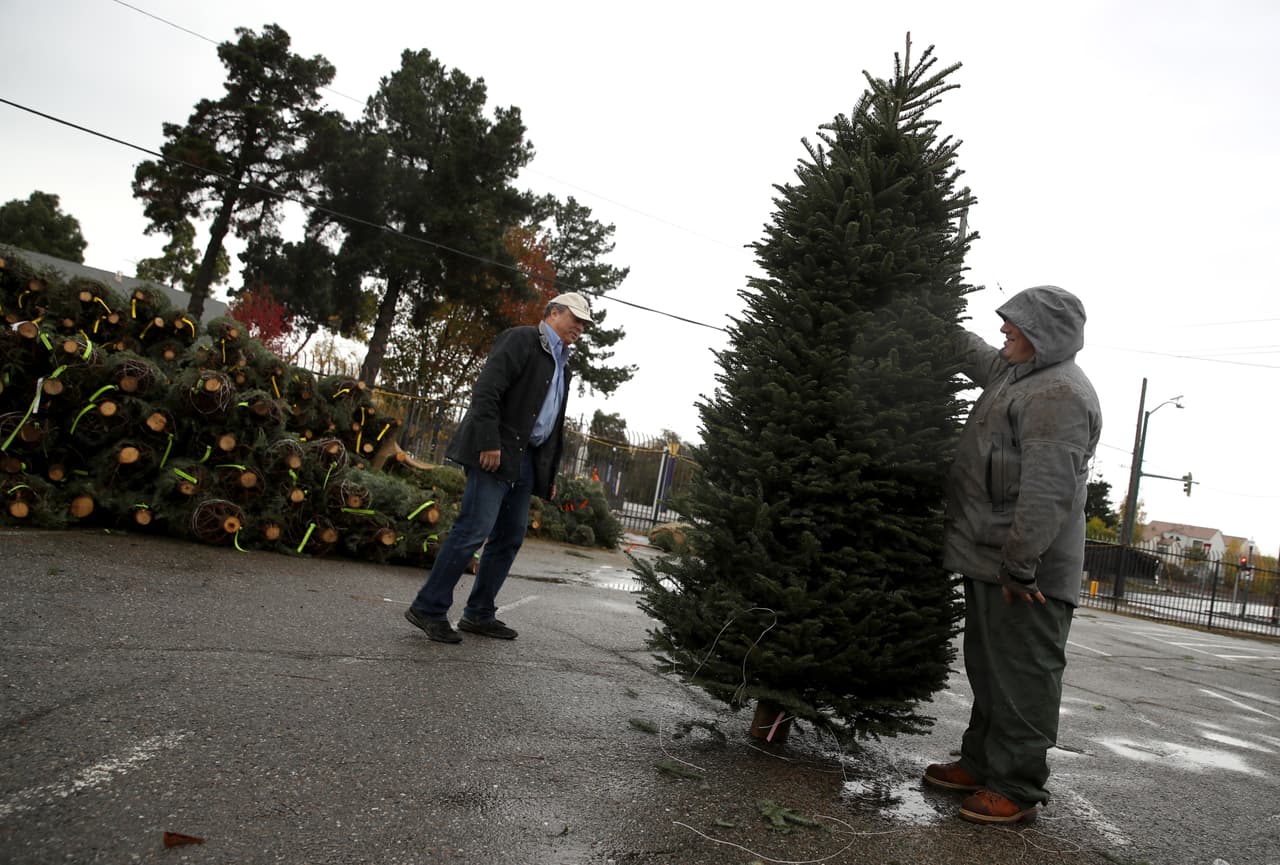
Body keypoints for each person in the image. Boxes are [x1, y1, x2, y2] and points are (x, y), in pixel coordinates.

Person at [924, 285, 1102, 825]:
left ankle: (1017, 784)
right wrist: (937, 318)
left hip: (1028, 568)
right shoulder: (1017, 373)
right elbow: (979, 352)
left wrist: (1021, 564)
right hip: (990, 553)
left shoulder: (1060, 395)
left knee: (1024, 675)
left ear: (1043, 334)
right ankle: (980, 763)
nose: (1004, 332)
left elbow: (1049, 492)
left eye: (1015, 325)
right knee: (989, 667)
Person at [404, 292, 593, 643]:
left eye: (584, 324)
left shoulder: (562, 361)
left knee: (508, 538)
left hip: (526, 460)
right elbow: (486, 392)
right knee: (472, 530)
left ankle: (478, 613)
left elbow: (551, 422)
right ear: (553, 313)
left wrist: (546, 473)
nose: (580, 328)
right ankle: (428, 607)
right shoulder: (521, 339)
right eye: (576, 320)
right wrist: (488, 442)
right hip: (495, 452)